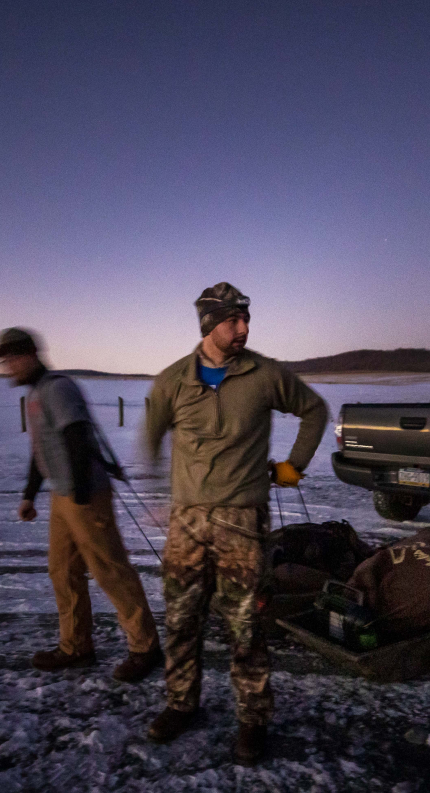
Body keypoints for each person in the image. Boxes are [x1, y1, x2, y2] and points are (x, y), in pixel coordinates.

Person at [142, 283, 328, 765]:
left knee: (246, 627)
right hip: (187, 524)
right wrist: (162, 495)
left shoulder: (264, 375)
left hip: (243, 522)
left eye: (246, 319)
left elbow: (314, 411)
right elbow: (150, 436)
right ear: (209, 325)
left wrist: (294, 466)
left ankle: (252, 721)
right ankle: (181, 704)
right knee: (182, 620)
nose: (243, 328)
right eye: (233, 321)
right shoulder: (172, 381)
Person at [0, 327, 162, 682]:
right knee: (63, 572)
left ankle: (146, 647)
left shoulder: (57, 388)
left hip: (85, 494)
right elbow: (41, 451)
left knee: (109, 569)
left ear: (29, 355)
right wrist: (30, 494)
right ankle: (76, 646)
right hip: (62, 495)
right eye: (3, 362)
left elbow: (77, 437)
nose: (7, 368)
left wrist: (82, 495)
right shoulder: (35, 395)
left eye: (10, 360)